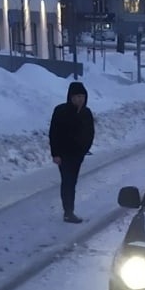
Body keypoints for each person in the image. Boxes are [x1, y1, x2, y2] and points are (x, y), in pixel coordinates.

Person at [48, 81, 95, 224]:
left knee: (72, 182)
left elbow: (90, 133)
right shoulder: (61, 111)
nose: (80, 99)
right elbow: (53, 133)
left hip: (78, 155)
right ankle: (68, 212)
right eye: (77, 96)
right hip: (64, 154)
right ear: (70, 97)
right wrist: (55, 153)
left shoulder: (86, 113)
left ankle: (69, 211)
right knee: (67, 182)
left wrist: (84, 150)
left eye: (82, 96)